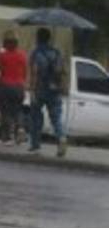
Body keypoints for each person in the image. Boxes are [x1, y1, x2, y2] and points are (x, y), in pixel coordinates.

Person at [28, 27, 67, 157]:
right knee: (56, 117)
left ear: (38, 38)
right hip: (54, 89)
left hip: (40, 89)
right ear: (49, 38)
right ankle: (61, 137)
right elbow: (61, 71)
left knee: (35, 118)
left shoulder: (36, 53)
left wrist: (31, 90)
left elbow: (34, 72)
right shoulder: (57, 52)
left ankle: (35, 146)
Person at [0, 31, 28, 145]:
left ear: (5, 43)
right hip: (19, 87)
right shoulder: (23, 55)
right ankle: (20, 128)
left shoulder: (0, 55)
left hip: (5, 86)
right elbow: (25, 73)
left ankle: (8, 135)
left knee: (2, 110)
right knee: (17, 110)